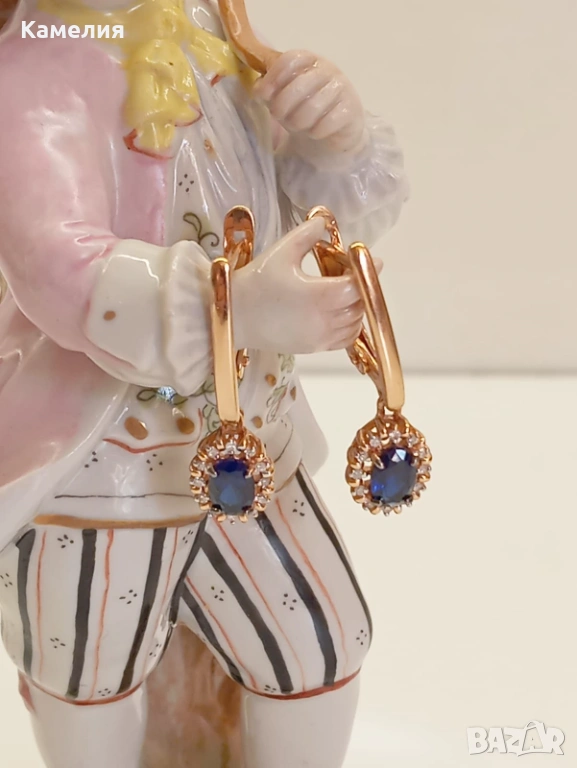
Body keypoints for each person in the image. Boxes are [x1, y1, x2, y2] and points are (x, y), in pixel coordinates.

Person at [0, 0, 408, 765]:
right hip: (98, 469)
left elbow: (291, 198)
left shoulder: (210, 25)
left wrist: (333, 142)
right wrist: (237, 309)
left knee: (320, 641)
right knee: (88, 667)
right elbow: (58, 267)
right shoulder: (35, 63)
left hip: (250, 440)